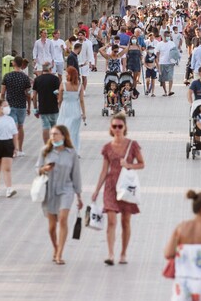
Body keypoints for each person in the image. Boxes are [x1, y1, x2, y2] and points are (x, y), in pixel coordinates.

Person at [90, 113, 145, 265]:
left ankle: (123, 253)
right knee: (111, 221)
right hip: (111, 186)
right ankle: (110, 254)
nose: (117, 129)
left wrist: (129, 165)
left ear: (125, 127)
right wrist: (96, 190)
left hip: (127, 188)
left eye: (120, 126)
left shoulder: (132, 145)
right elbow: (104, 171)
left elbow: (142, 164)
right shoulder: (107, 148)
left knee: (126, 221)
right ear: (110, 128)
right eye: (114, 126)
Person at [37, 125, 83, 265]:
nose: (53, 137)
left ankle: (60, 253)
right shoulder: (45, 151)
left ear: (63, 136)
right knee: (52, 226)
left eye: (56, 134)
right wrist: (44, 169)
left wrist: (79, 195)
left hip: (66, 189)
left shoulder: (71, 153)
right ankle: (55, 247)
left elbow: (76, 174)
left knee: (63, 219)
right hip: (50, 190)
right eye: (51, 134)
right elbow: (37, 169)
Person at [0, 56, 32, 157]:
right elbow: (28, 94)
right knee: (20, 127)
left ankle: (13, 148)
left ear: (13, 63)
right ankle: (20, 149)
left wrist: (1, 104)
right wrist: (29, 107)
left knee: (12, 127)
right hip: (21, 105)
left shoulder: (7, 76)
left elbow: (2, 93)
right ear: (21, 64)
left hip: (10, 105)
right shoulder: (25, 77)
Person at [57, 65, 86, 152]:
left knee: (63, 129)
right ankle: (75, 150)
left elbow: (60, 100)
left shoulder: (63, 84)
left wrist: (59, 107)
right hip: (76, 109)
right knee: (74, 132)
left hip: (65, 109)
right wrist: (84, 113)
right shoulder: (80, 86)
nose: (65, 75)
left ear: (70, 75)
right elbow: (81, 100)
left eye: (67, 74)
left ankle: (64, 148)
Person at [32, 61, 62, 145]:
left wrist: (35, 108)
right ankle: (55, 144)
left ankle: (46, 146)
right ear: (50, 68)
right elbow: (59, 94)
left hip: (43, 107)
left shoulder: (37, 79)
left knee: (45, 126)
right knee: (54, 126)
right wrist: (59, 104)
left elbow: (34, 96)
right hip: (53, 107)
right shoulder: (55, 79)